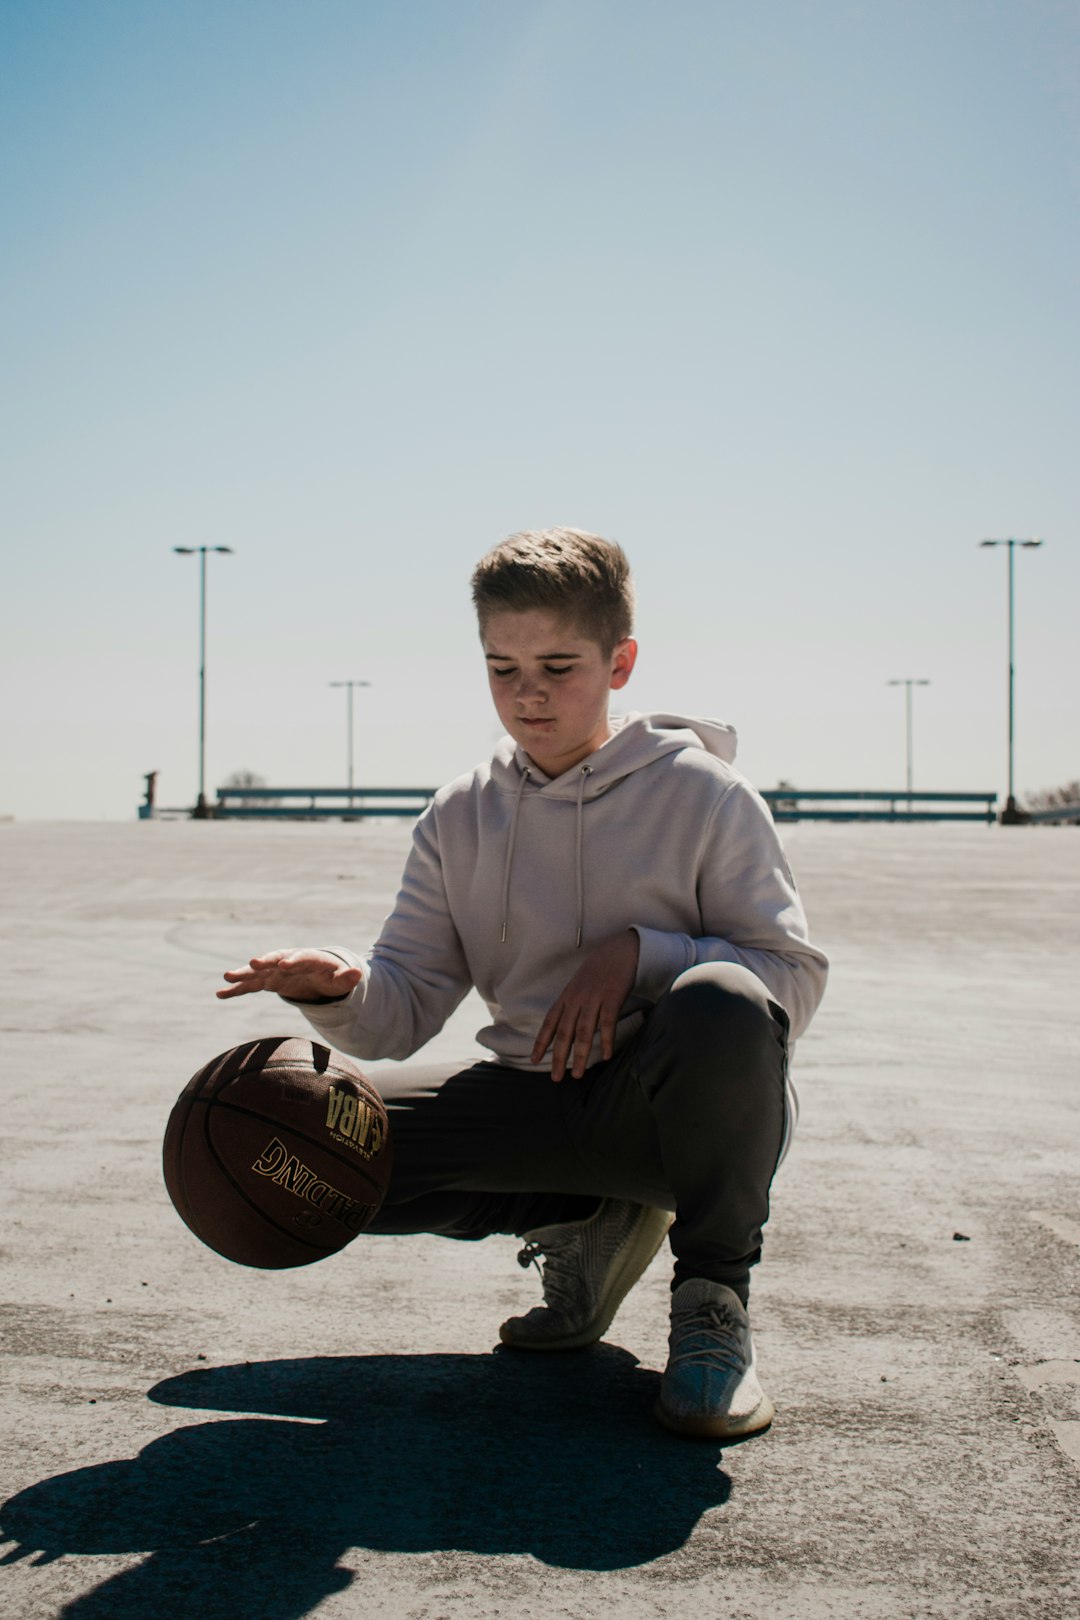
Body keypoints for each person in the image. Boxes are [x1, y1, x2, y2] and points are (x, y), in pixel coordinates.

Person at [219, 528, 828, 1438]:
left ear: (620, 663)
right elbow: (403, 1013)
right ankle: (587, 1218)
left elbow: (789, 980)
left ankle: (712, 1308)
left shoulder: (705, 796)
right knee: (291, 1158)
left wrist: (643, 953)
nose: (528, 694)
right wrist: (338, 987)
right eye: (502, 668)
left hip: (666, 1119)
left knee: (724, 1001)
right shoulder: (460, 813)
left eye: (557, 665)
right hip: (526, 1096)